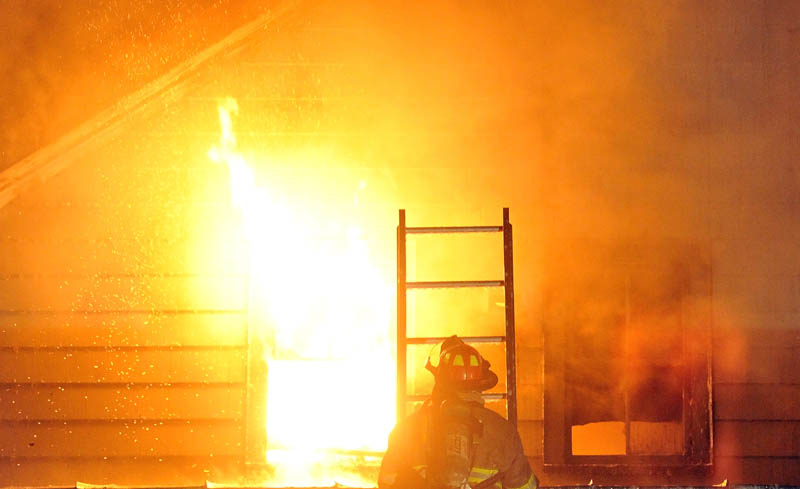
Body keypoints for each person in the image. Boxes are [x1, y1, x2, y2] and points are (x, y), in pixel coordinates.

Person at [379, 336, 538, 489]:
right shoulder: (502, 431)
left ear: (440, 379)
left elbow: (387, 481)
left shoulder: (408, 428)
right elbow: (524, 486)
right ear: (481, 382)